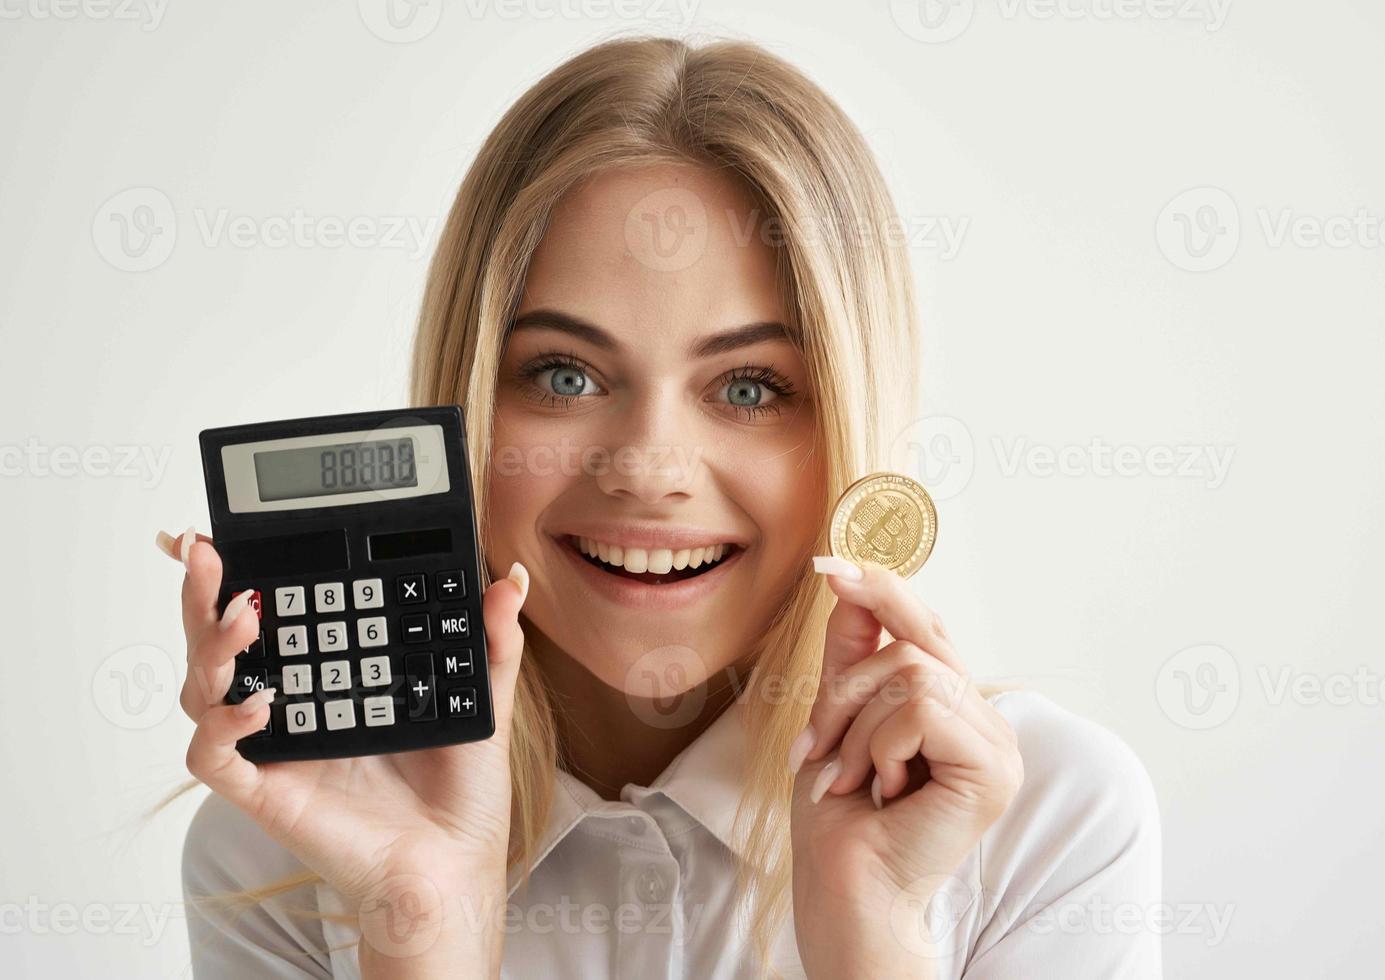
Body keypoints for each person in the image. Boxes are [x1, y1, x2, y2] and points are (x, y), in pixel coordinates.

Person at [164, 33, 1161, 979]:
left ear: (852, 416)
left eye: (750, 387)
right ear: (462, 408)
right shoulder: (281, 850)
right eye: (563, 374)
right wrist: (421, 922)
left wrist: (879, 934)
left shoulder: (1048, 820)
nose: (648, 468)